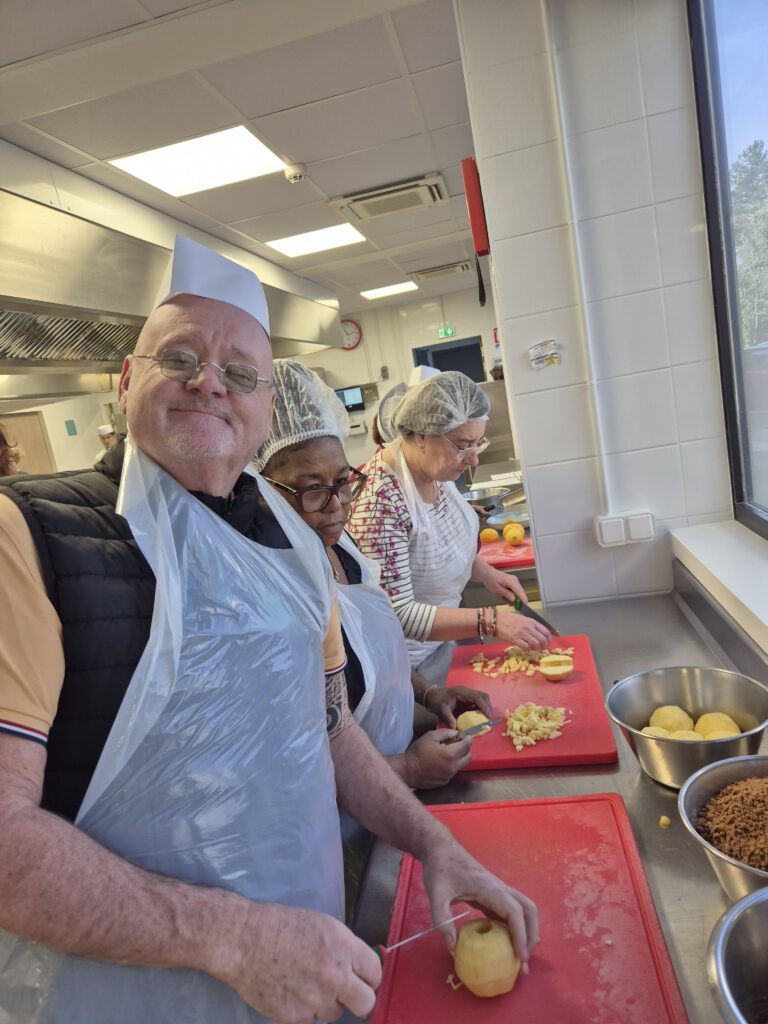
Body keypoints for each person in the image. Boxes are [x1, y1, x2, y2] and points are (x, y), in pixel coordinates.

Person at [0, 237, 538, 1023]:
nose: (210, 383)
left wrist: (434, 844)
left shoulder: (288, 540)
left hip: (300, 970)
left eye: (241, 373)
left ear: (263, 413)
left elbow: (328, 728)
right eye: (178, 357)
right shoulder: (29, 534)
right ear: (125, 382)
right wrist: (234, 940)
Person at [256, 360, 494, 789]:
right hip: (351, 812)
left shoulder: (341, 550)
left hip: (394, 776)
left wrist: (427, 692)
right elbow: (289, 765)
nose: (339, 507)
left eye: (344, 482)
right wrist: (406, 769)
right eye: (313, 489)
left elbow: (377, 652)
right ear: (261, 488)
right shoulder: (270, 600)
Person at [348, 371, 552, 688]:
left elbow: (439, 542)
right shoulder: (380, 502)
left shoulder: (435, 472)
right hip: (406, 672)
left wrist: (484, 572)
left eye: (478, 443)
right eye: (463, 445)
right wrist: (491, 620)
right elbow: (396, 614)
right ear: (420, 435)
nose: (472, 460)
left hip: (442, 645)